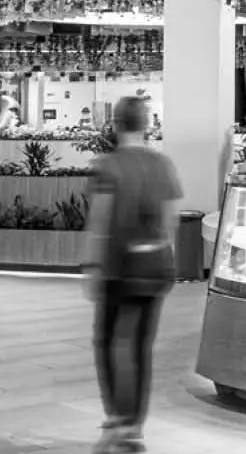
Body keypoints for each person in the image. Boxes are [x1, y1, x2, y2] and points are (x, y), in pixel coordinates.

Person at [83, 97, 183, 453]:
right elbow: (171, 219)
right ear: (146, 125)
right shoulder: (163, 165)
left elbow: (100, 222)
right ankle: (135, 425)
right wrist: (165, 256)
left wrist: (93, 267)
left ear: (115, 125)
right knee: (141, 347)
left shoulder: (107, 166)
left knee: (107, 342)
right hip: (156, 266)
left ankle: (118, 419)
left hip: (118, 269)